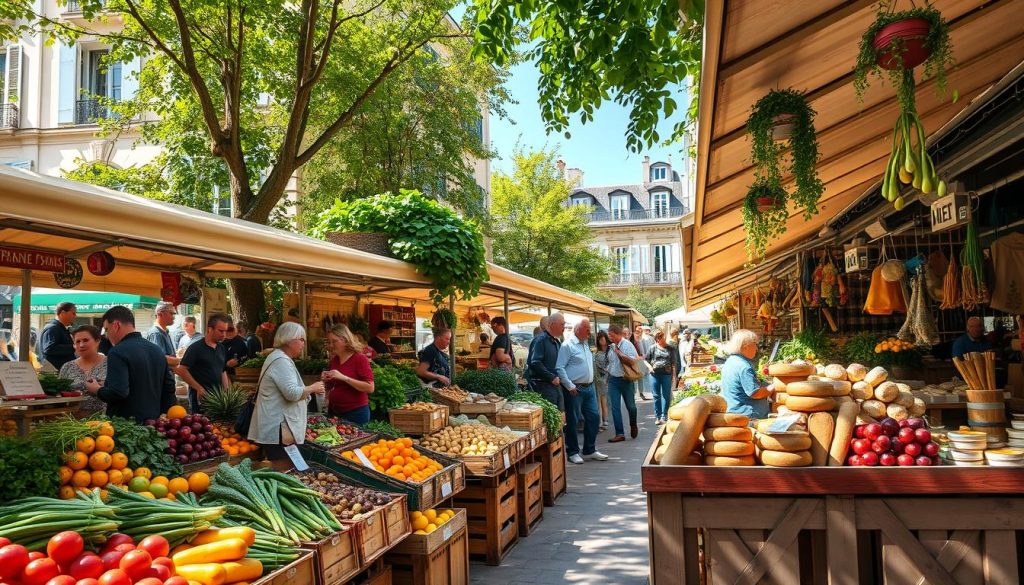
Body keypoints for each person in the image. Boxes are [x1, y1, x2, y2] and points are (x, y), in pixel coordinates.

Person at [248, 322, 326, 460]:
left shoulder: (279, 358)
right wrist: (313, 388)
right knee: (283, 468)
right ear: (289, 340)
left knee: (283, 468)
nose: (303, 344)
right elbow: (292, 393)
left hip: (277, 426)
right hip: (278, 428)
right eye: (301, 339)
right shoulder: (281, 361)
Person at [85, 306, 175, 423]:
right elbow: (169, 387)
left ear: (116, 325)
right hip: (154, 423)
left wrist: (97, 389)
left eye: (107, 330)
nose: (106, 335)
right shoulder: (156, 350)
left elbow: (118, 392)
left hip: (127, 428)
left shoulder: (117, 352)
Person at [555, 319, 608, 464]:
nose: (590, 332)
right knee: (573, 421)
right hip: (575, 389)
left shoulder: (585, 344)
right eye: (587, 329)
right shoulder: (567, 345)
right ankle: (572, 452)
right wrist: (569, 385)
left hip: (589, 387)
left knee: (594, 417)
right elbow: (559, 367)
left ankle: (589, 450)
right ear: (578, 329)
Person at [175, 313, 230, 413]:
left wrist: (227, 393)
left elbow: (223, 371)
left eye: (225, 331)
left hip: (218, 399)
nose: (224, 335)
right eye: (221, 331)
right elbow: (181, 369)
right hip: (200, 400)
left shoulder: (221, 348)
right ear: (210, 329)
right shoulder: (195, 348)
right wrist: (198, 388)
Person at [321, 324, 376, 423]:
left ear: (345, 340)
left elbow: (370, 387)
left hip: (355, 413)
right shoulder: (335, 360)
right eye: (328, 342)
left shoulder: (359, 359)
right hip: (335, 411)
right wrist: (327, 379)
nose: (330, 345)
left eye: (334, 341)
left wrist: (344, 378)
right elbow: (333, 385)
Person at [721, 329, 772, 419]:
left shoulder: (731, 361)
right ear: (745, 346)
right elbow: (755, 393)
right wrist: (772, 387)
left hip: (734, 411)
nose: (756, 348)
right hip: (748, 415)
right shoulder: (744, 367)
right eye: (754, 344)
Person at [60, 325, 108, 416]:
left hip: (106, 422)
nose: (81, 345)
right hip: (72, 423)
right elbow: (59, 395)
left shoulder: (111, 364)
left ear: (97, 341)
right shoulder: (67, 367)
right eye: (77, 341)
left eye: (86, 340)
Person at [606, 324, 640, 442]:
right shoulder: (611, 346)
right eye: (609, 335)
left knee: (631, 407)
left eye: (611, 335)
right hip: (613, 380)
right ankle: (619, 433)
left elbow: (633, 360)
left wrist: (619, 353)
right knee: (615, 408)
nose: (609, 337)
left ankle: (633, 424)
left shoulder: (627, 344)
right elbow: (610, 362)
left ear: (618, 334)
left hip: (626, 380)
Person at [528, 312, 565, 410]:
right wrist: (551, 377)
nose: (564, 327)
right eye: (562, 324)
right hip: (543, 386)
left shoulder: (556, 342)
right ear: (552, 325)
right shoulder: (540, 340)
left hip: (556, 386)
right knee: (551, 417)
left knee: (560, 416)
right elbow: (535, 362)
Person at [646, 331, 679, 425]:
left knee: (666, 395)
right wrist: (650, 367)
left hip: (666, 374)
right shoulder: (652, 348)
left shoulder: (671, 349)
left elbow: (673, 363)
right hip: (654, 374)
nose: (665, 340)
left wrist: (674, 376)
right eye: (663, 338)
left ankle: (665, 416)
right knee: (656, 396)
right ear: (658, 339)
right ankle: (658, 416)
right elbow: (646, 360)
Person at [40, 301, 77, 370]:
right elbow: (49, 349)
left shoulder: (59, 327)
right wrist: (73, 347)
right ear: (63, 313)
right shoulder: (53, 327)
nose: (75, 316)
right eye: (73, 313)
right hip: (55, 375)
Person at [144, 301, 181, 367]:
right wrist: (181, 360)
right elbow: (159, 358)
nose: (174, 317)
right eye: (171, 313)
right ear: (160, 314)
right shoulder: (156, 333)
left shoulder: (164, 332)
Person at [594, 331, 611, 430]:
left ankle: (605, 419)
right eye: (600, 339)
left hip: (607, 379)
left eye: (603, 338)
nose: (602, 341)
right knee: (600, 400)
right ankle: (602, 420)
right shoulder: (597, 353)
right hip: (599, 379)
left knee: (604, 400)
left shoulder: (611, 350)